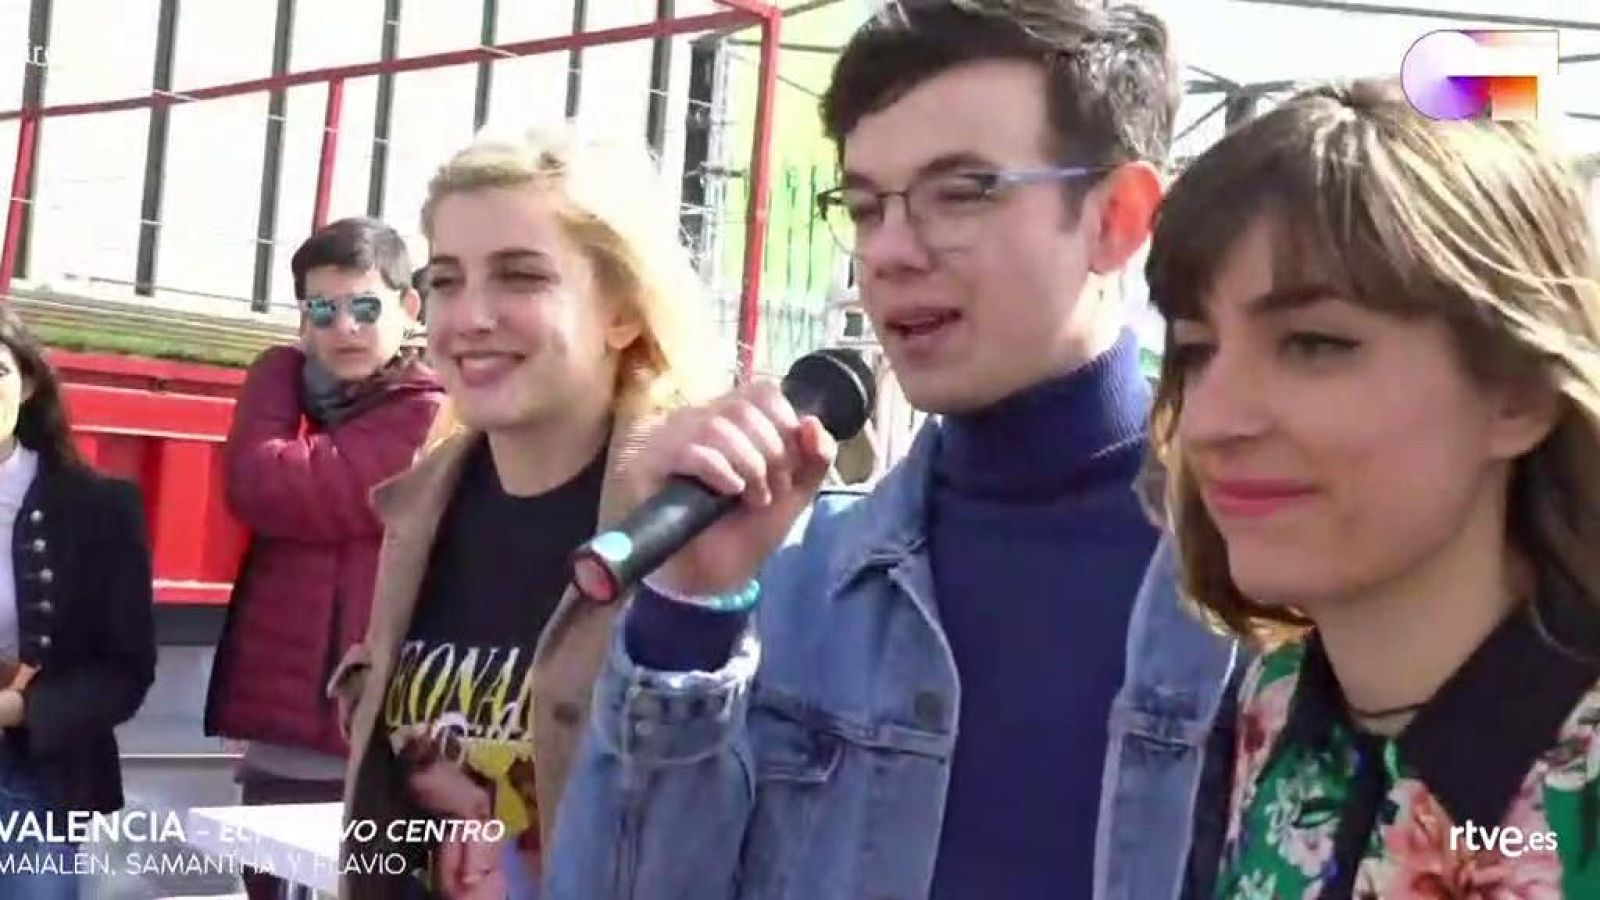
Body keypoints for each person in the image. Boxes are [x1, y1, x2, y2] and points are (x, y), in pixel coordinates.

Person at [548, 2, 1237, 898]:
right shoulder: (802, 580)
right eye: (866, 206)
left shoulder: (1258, 584)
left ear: (1118, 217)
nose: (890, 252)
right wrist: (690, 612)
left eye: (961, 192)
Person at [1145, 80, 1600, 898]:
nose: (1213, 419)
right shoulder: (1269, 709)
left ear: (1519, 395)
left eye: (1315, 345)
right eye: (1195, 349)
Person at [329, 124, 722, 899]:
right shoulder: (420, 511)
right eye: (445, 280)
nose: (470, 316)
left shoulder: (692, 521)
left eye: (520, 277)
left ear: (623, 312)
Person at [204, 216, 446, 900]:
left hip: (359, 741)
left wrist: (275, 370)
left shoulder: (423, 415)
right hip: (293, 733)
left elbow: (265, 484)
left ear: (408, 308)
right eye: (324, 309)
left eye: (365, 307)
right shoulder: (331, 412)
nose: (345, 328)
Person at [0, 306, 155, 899]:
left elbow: (125, 671)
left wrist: (19, 710)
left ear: (30, 382)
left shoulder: (98, 508)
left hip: (31, 780)